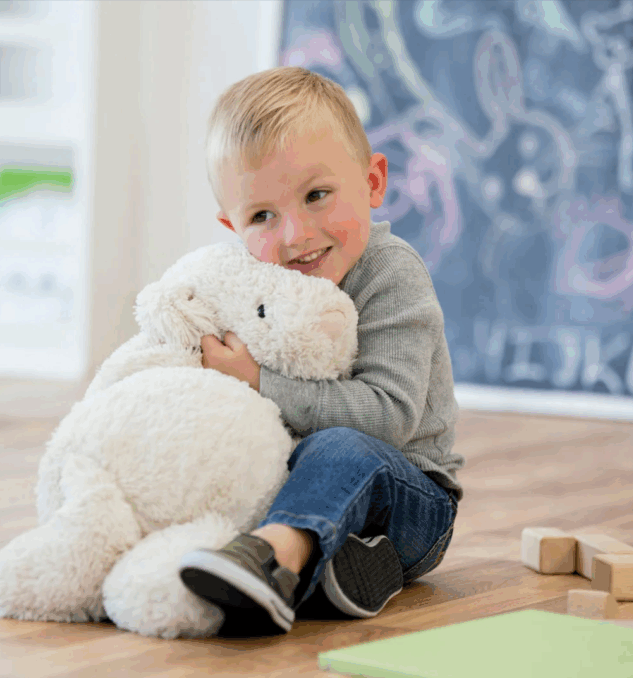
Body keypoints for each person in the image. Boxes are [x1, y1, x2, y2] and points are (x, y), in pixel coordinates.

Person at [177, 66, 465, 635]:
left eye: (317, 196)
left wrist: (258, 382)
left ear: (374, 181)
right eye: (262, 216)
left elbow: (390, 417)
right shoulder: (254, 283)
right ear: (232, 226)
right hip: (306, 489)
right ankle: (337, 573)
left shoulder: (391, 273)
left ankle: (271, 559)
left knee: (341, 448)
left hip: (411, 501)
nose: (296, 235)